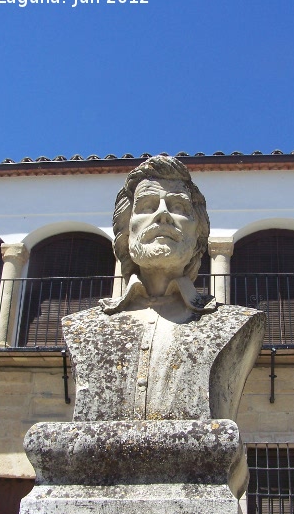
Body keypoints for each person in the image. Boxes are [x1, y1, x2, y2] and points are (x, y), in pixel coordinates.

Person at [62, 155, 264, 422]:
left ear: (198, 238)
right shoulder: (82, 328)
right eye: (146, 206)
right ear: (126, 232)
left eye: (178, 206)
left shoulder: (236, 324)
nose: (162, 215)